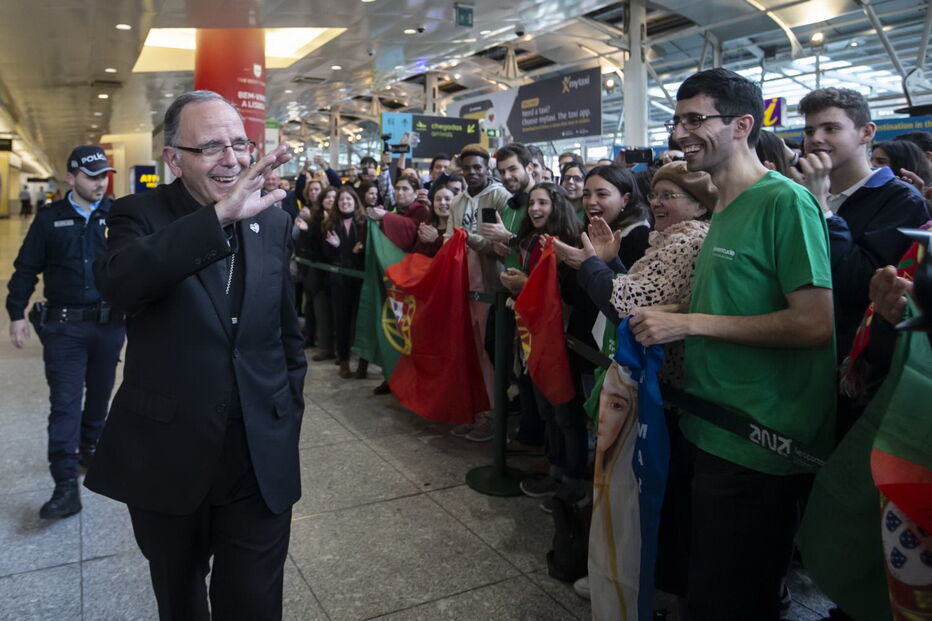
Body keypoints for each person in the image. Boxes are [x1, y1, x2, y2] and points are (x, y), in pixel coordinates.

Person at [85, 90, 306, 620]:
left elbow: (285, 336)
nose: (231, 159)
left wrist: (286, 415)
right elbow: (120, 284)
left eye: (240, 144)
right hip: (169, 456)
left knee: (253, 605)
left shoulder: (273, 221)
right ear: (173, 159)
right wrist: (220, 217)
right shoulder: (138, 214)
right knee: (181, 599)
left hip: (257, 458)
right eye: (210, 147)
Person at [629, 68, 836, 621]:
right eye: (677, 121)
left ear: (743, 125)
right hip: (710, 424)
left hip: (759, 439)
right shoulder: (724, 202)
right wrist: (671, 315)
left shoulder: (785, 203)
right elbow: (733, 303)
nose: (680, 133)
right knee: (707, 585)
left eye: (695, 119)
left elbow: (813, 324)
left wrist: (690, 324)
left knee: (731, 597)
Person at [6, 145, 125, 520]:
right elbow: (26, 268)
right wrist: (16, 313)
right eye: (92, 177)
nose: (100, 184)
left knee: (101, 395)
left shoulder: (117, 216)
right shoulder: (49, 219)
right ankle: (65, 485)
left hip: (109, 326)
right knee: (65, 405)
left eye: (104, 176)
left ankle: (89, 448)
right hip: (64, 329)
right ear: (71, 178)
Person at [792, 88, 930, 369]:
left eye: (831, 128)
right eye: (809, 131)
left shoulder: (901, 200)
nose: (815, 139)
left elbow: (865, 286)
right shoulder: (802, 195)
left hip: (852, 361)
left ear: (866, 133)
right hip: (799, 355)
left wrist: (823, 211)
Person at [500, 182, 588, 500]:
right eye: (532, 203)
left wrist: (526, 284)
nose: (535, 209)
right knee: (547, 411)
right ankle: (555, 471)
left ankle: (572, 483)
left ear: (557, 206)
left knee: (565, 413)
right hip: (533, 337)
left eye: (543, 203)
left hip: (561, 341)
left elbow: (569, 295)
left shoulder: (569, 245)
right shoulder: (530, 242)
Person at [446, 143, 511, 441]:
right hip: (465, 284)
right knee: (471, 351)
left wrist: (469, 239)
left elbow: (502, 245)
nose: (472, 172)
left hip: (492, 286)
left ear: (487, 168)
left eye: (478, 167)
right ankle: (477, 411)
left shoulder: (500, 197)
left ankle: (494, 416)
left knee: (490, 354)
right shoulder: (457, 201)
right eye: (467, 168)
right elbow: (450, 238)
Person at [322, 187, 367, 379]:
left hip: (361, 280)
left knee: (362, 321)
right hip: (339, 282)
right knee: (342, 322)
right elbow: (325, 254)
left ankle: (363, 364)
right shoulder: (329, 224)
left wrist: (356, 251)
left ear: (355, 202)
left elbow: (366, 252)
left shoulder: (364, 223)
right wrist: (337, 247)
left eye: (348, 199)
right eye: (341, 200)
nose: (345, 202)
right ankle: (344, 361)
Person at [413, 184, 453, 257]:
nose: (442, 202)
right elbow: (417, 256)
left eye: (447, 199)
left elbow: (455, 256)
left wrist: (436, 240)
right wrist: (423, 242)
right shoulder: (427, 226)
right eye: (438, 199)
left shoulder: (460, 228)